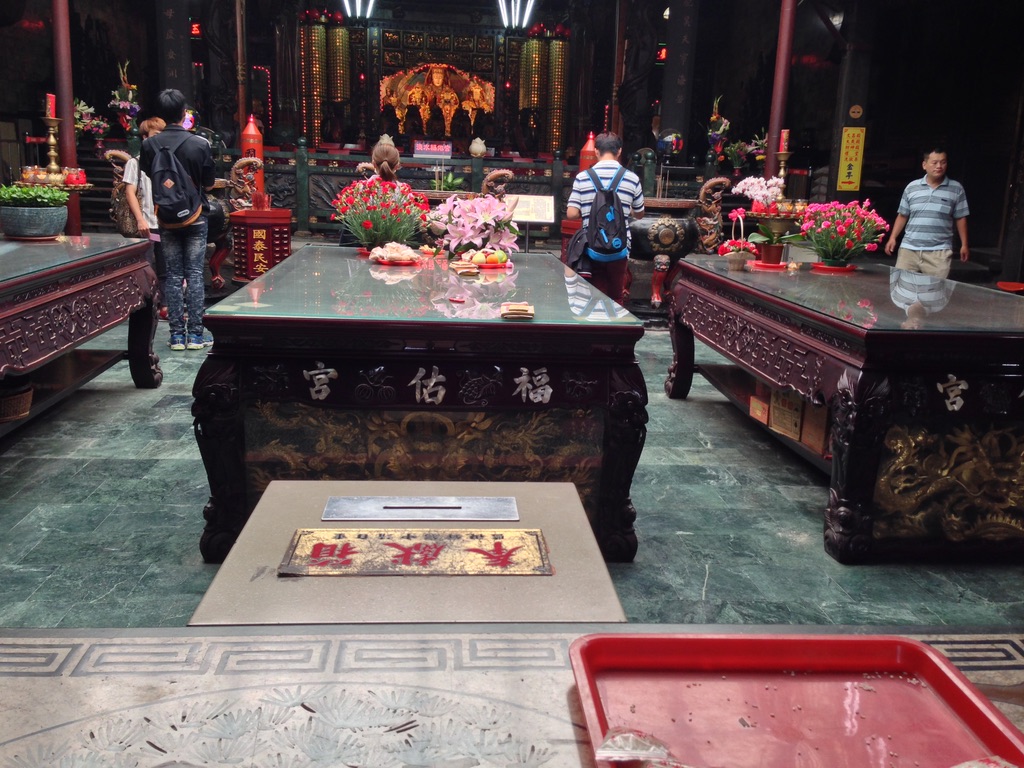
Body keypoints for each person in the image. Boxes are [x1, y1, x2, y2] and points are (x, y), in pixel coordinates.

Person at [140, 89, 217, 351]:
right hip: (195, 215)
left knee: (172, 275)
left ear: (160, 114)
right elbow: (208, 184)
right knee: (194, 273)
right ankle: (195, 335)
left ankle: (176, 336)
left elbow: (152, 176)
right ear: (184, 113)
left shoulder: (149, 145)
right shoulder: (200, 144)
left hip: (167, 217)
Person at [565, 132, 645, 303]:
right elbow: (639, 214)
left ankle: (594, 318)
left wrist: (588, 209)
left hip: (591, 246)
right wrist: (627, 209)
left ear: (596, 151)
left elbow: (571, 214)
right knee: (616, 295)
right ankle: (615, 319)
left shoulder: (583, 177)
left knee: (592, 295)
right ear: (619, 151)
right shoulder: (632, 178)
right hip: (619, 247)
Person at [884, 148, 969, 279]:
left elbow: (960, 218)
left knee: (934, 289)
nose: (939, 166)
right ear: (924, 165)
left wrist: (964, 245)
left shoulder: (956, 189)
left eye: (943, 162)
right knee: (903, 288)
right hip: (909, 249)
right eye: (934, 163)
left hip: (939, 252)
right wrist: (892, 238)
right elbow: (903, 215)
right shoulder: (912, 187)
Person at [123, 117, 167, 319]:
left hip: (165, 223)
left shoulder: (167, 162)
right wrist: (140, 219)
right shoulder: (135, 163)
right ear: (144, 137)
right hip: (146, 223)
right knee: (146, 266)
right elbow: (130, 192)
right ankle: (146, 307)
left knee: (166, 267)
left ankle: (165, 305)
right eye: (155, 135)